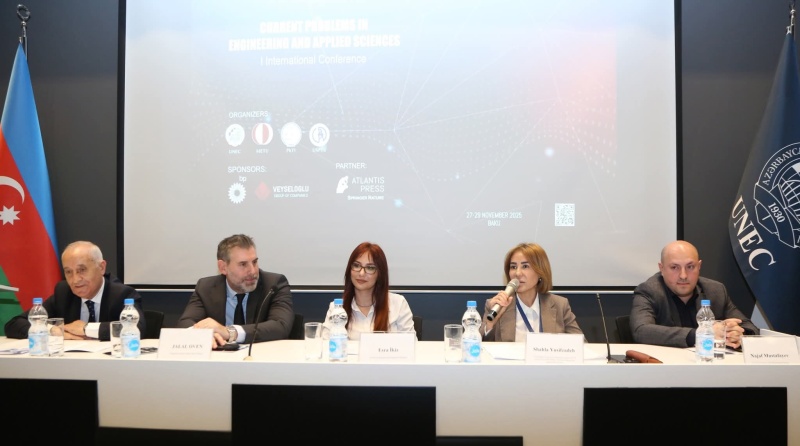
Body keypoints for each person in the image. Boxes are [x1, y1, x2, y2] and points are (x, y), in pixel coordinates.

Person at [4, 240, 145, 341]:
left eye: (81, 270)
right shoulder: (63, 292)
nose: (75, 280)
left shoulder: (122, 294)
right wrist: (54, 330)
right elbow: (14, 324)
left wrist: (86, 329)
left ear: (101, 267)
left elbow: (137, 328)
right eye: (68, 272)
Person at [630, 240, 759, 349]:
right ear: (661, 268)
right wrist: (701, 334)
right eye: (674, 267)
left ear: (699, 266)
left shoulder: (715, 291)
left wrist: (736, 334)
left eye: (690, 267)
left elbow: (750, 328)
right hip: (666, 367)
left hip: (707, 365)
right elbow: (640, 331)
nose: (683, 275)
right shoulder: (649, 290)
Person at [177, 234, 294, 348]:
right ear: (223, 267)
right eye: (243, 264)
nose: (253, 271)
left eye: (254, 262)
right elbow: (185, 322)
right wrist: (202, 335)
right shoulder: (206, 287)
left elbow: (281, 326)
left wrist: (230, 332)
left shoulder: (273, 285)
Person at [480, 242, 583, 341]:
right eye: (513, 267)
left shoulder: (560, 305)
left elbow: (582, 345)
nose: (517, 273)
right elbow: (479, 346)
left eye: (525, 266)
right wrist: (490, 324)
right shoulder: (497, 306)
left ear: (540, 271)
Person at [322, 242, 414, 340]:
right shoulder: (337, 309)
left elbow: (411, 345)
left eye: (370, 268)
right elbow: (326, 345)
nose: (361, 273)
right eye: (356, 265)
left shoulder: (398, 304)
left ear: (380, 274)